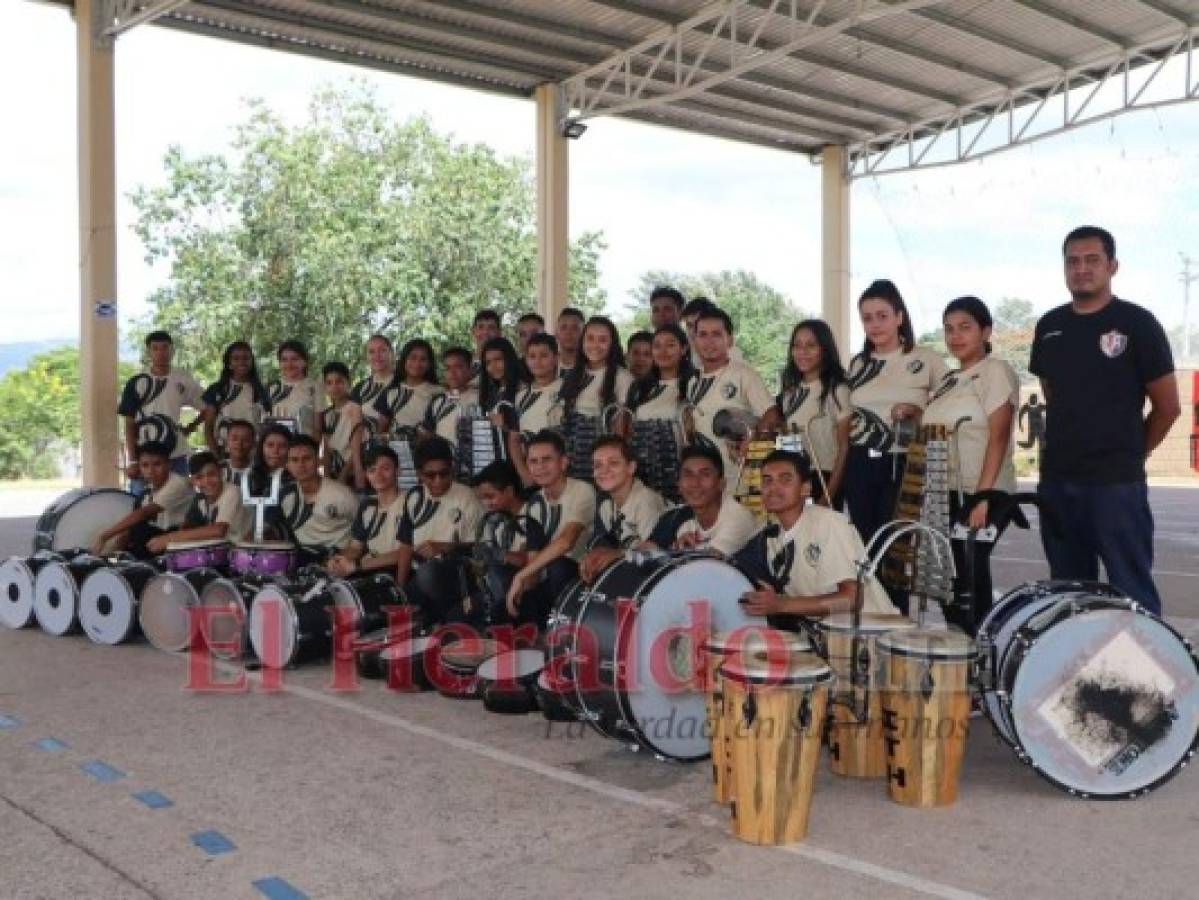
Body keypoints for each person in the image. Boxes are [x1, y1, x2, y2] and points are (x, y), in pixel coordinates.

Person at [1029, 226, 1179, 616]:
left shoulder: (1137, 323)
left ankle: (1144, 676)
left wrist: (1131, 455)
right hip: (1059, 482)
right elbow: (1053, 394)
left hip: (1116, 487)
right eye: (1072, 261)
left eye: (1092, 260)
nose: (1081, 269)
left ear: (1112, 266)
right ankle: (1080, 673)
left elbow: (1168, 408)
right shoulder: (1049, 327)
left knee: (1131, 592)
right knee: (1068, 595)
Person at [844, 279, 948, 612]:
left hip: (903, 464)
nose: (874, 324)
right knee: (863, 543)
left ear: (899, 317)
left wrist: (918, 412)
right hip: (861, 462)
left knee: (897, 546)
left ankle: (897, 620)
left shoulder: (926, 359)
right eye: (867, 317)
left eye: (882, 315)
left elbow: (951, 402)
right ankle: (868, 615)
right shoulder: (858, 365)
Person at [923, 296, 1021, 633]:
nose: (955, 336)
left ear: (986, 331)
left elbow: (998, 435)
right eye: (949, 329)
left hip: (984, 490)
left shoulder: (995, 371)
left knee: (969, 569)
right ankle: (961, 643)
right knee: (948, 574)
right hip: (946, 490)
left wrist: (983, 496)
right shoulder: (950, 381)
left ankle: (982, 647)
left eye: (965, 327)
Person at [733, 451, 898, 624]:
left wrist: (782, 604)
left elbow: (852, 600)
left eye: (785, 479)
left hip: (873, 635)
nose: (773, 488)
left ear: (806, 488)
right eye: (767, 480)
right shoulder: (770, 538)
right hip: (827, 639)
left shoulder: (829, 523)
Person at [684, 307, 779, 494]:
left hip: (738, 479)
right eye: (702, 334)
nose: (709, 341)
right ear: (694, 341)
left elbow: (772, 415)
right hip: (704, 481)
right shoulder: (693, 382)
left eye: (716, 334)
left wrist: (753, 436)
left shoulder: (744, 374)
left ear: (730, 340)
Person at [506, 431, 597, 623]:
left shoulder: (582, 490)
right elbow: (533, 561)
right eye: (533, 461)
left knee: (558, 566)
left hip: (586, 577)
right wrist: (521, 588)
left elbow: (566, 542)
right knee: (508, 605)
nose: (540, 467)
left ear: (564, 462)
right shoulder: (534, 503)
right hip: (549, 580)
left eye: (547, 459)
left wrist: (520, 577)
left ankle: (566, 630)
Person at [395, 437, 484, 625]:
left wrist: (444, 547)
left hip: (457, 573)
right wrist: (400, 588)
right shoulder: (414, 497)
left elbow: (479, 548)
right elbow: (405, 545)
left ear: (452, 469)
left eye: (444, 474)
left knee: (428, 575)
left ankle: (445, 623)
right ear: (419, 474)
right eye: (430, 475)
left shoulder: (466, 497)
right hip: (419, 574)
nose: (438, 481)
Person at [456, 460, 548, 627]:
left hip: (527, 589)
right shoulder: (497, 520)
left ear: (510, 491)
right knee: (457, 616)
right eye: (483, 498)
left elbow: (532, 565)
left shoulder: (532, 514)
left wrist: (499, 555)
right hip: (495, 588)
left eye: (491, 496)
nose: (487, 503)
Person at [118, 331, 205, 493]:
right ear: (148, 352)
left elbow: (208, 407)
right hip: (144, 455)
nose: (161, 352)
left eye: (165, 348)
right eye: (155, 348)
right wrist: (132, 461)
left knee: (181, 501)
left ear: (172, 351)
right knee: (140, 503)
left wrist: (190, 428)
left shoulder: (183, 379)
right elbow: (129, 423)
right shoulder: (137, 382)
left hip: (175, 453)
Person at [777, 319, 852, 509]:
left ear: (824, 349)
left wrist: (827, 496)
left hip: (827, 479)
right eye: (797, 346)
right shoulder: (789, 394)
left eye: (811, 345)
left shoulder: (838, 391)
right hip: (796, 480)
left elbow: (844, 449)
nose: (802, 352)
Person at [643, 445, 759, 556]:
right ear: (679, 485)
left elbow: (705, 565)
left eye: (705, 474)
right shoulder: (686, 524)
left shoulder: (738, 518)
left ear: (721, 484)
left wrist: (674, 553)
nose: (695, 483)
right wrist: (675, 550)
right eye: (688, 475)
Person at [579, 437, 666, 582]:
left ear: (631, 468)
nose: (604, 470)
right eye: (598, 465)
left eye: (613, 463)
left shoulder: (645, 501)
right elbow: (601, 540)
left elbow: (656, 554)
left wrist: (617, 554)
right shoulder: (605, 503)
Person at [628, 323, 696, 501]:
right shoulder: (640, 387)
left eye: (670, 345)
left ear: (683, 349)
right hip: (643, 472)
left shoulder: (694, 384)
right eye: (657, 346)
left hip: (677, 470)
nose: (663, 351)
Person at [559, 316, 634, 479]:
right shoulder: (572, 375)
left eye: (603, 340)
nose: (595, 345)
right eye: (590, 338)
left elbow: (621, 429)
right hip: (571, 455)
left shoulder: (622, 377)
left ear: (612, 344)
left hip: (602, 457)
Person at [91, 442, 194, 558]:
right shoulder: (148, 491)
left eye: (157, 464)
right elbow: (132, 526)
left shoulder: (177, 484)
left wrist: (104, 536)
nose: (151, 471)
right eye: (145, 465)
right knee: (132, 533)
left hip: (179, 541)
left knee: (141, 530)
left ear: (168, 464)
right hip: (157, 540)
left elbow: (143, 514)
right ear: (140, 467)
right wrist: (113, 555)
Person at [147, 450, 251, 553]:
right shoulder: (200, 498)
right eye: (199, 477)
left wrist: (168, 538)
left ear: (221, 472)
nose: (206, 481)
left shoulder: (232, 491)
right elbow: (186, 527)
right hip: (216, 552)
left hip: (237, 553)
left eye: (211, 474)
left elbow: (219, 530)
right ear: (193, 481)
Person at [328, 445, 408, 577]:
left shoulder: (410, 502)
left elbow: (407, 552)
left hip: (397, 571)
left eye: (386, 468)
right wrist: (340, 560)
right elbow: (355, 547)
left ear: (398, 471)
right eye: (372, 470)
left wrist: (357, 566)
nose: (378, 475)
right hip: (369, 569)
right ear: (366, 474)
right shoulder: (367, 505)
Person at [278, 435, 358, 563]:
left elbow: (362, 533)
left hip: (336, 560)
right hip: (299, 559)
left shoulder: (342, 494)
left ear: (317, 461)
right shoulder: (285, 495)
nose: (301, 465)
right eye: (294, 460)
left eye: (307, 458)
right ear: (287, 465)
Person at [201, 341, 267, 454]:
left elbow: (265, 425)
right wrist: (215, 453)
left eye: (246, 358)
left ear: (252, 362)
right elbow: (208, 426)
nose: (242, 362)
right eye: (236, 358)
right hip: (224, 452)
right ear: (229, 363)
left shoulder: (261, 391)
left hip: (253, 453)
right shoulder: (218, 389)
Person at [374, 338, 445, 436]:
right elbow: (381, 430)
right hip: (392, 449)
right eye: (413, 357)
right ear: (404, 360)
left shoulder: (439, 392)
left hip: (427, 449)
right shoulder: (391, 391)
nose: (417, 363)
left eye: (423, 359)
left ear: (429, 364)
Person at [424, 347, 478, 449]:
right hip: (445, 460)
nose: (452, 372)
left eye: (458, 367)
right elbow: (429, 432)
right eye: (447, 368)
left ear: (470, 370)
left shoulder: (482, 398)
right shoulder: (437, 401)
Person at [267, 340, 320, 442]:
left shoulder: (315, 387)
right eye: (284, 360)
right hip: (276, 448)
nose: (289, 364)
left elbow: (318, 429)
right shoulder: (272, 387)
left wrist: (315, 453)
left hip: (303, 448)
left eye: (294, 359)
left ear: (304, 361)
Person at [319, 362, 361, 485]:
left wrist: (344, 474)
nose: (334, 387)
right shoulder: (326, 414)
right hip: (334, 473)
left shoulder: (355, 409)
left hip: (352, 472)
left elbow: (357, 447)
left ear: (348, 383)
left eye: (339, 381)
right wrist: (326, 478)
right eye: (329, 383)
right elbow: (327, 449)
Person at [470, 309, 503, 384]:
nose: (485, 332)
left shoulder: (506, 364)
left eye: (491, 328)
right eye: (481, 327)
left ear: (499, 332)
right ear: (473, 331)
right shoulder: (464, 363)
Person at [221, 419, 256, 488]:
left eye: (245, 439)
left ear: (253, 443)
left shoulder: (260, 471)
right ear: (226, 442)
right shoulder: (218, 470)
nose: (239, 443)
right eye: (234, 439)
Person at [554, 307, 585, 375]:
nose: (568, 332)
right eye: (563, 327)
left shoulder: (592, 367)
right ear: (556, 333)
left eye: (575, 328)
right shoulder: (547, 365)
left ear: (584, 334)